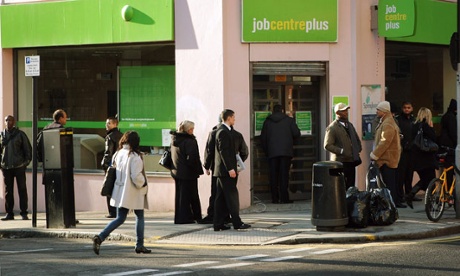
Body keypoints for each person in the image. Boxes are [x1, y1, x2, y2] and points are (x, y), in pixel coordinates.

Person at [92, 131, 150, 255]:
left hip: (120, 191)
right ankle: (139, 245)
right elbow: (136, 176)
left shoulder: (118, 154)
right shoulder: (135, 156)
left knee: (120, 218)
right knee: (139, 216)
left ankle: (100, 237)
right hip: (134, 191)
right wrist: (143, 182)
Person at [202, 116, 249, 224]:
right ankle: (225, 220)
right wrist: (238, 165)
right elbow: (244, 151)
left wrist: (207, 166)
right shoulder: (236, 134)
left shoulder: (214, 133)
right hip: (231, 169)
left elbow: (209, 151)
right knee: (227, 195)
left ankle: (217, 219)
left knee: (218, 194)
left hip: (217, 168)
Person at [213, 109, 250, 231]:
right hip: (226, 171)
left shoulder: (223, 131)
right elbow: (224, 152)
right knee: (232, 196)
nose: (235, 119)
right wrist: (230, 168)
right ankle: (237, 223)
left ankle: (218, 224)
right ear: (228, 118)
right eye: (233, 117)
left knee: (220, 198)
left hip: (221, 171)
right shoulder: (223, 132)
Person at [260, 104, 301, 204]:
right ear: (282, 110)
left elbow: (263, 139)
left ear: (273, 111)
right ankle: (284, 198)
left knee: (273, 176)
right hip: (286, 152)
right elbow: (296, 134)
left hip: (272, 153)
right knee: (284, 175)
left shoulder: (267, 122)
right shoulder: (289, 120)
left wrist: (267, 152)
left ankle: (275, 198)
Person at [370, 101, 406, 208]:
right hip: (386, 159)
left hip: (387, 160)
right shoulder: (386, 121)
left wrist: (374, 155)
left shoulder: (388, 123)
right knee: (388, 184)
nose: (376, 111)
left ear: (384, 111)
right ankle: (390, 205)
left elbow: (385, 142)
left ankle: (390, 207)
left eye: (378, 110)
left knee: (389, 185)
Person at [170, 120, 204, 224]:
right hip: (189, 173)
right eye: (192, 128)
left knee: (180, 196)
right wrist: (196, 169)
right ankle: (193, 216)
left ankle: (181, 217)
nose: (193, 131)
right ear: (189, 129)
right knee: (192, 195)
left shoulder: (175, 139)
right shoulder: (190, 141)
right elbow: (192, 158)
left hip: (177, 172)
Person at [0, 115, 32, 221]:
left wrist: (25, 163)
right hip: (6, 167)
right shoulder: (1, 135)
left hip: (19, 166)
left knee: (22, 189)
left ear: (14, 122)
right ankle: (9, 213)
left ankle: (24, 212)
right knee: (8, 191)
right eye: (6, 120)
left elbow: (28, 150)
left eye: (10, 120)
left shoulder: (20, 134)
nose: (8, 122)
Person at [324, 103, 362, 190]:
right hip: (340, 162)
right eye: (344, 111)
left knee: (351, 186)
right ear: (338, 113)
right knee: (341, 187)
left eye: (346, 110)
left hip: (351, 161)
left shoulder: (350, 125)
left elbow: (356, 139)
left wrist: (358, 148)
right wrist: (341, 151)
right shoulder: (332, 127)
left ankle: (349, 203)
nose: (346, 112)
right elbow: (327, 145)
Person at [405, 108, 438, 209]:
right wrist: (431, 128)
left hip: (416, 158)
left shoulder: (414, 125)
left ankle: (412, 195)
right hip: (426, 158)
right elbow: (434, 138)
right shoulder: (426, 126)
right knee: (431, 181)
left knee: (425, 180)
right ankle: (428, 203)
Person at [101, 117, 123, 218]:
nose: (107, 125)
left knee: (109, 187)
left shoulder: (109, 137)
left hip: (111, 165)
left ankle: (112, 212)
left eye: (109, 123)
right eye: (106, 123)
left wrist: (104, 165)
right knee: (118, 188)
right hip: (120, 165)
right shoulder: (122, 136)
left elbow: (107, 153)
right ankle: (119, 210)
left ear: (115, 124)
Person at [395, 102, 416, 203]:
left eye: (409, 107)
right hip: (402, 150)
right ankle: (400, 194)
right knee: (401, 174)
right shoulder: (398, 120)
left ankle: (409, 193)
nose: (407, 109)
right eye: (405, 108)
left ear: (412, 108)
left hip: (411, 151)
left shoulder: (413, 120)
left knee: (410, 173)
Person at [438, 99, 457, 189]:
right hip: (450, 147)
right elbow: (453, 133)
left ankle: (447, 190)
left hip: (443, 146)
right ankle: (450, 192)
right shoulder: (451, 117)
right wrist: (456, 144)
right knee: (451, 170)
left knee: (447, 170)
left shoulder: (446, 116)